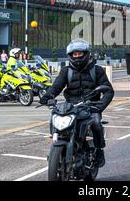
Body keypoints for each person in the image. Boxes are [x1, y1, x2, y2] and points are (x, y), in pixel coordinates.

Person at [39, 39, 114, 167]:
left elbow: (108, 91)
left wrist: (100, 106)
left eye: (79, 54)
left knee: (96, 122)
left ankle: (99, 150)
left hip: (91, 106)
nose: (77, 56)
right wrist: (47, 96)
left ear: (86, 54)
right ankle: (57, 147)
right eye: (75, 54)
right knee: (55, 118)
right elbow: (56, 87)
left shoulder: (97, 70)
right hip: (71, 106)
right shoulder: (66, 71)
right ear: (70, 56)